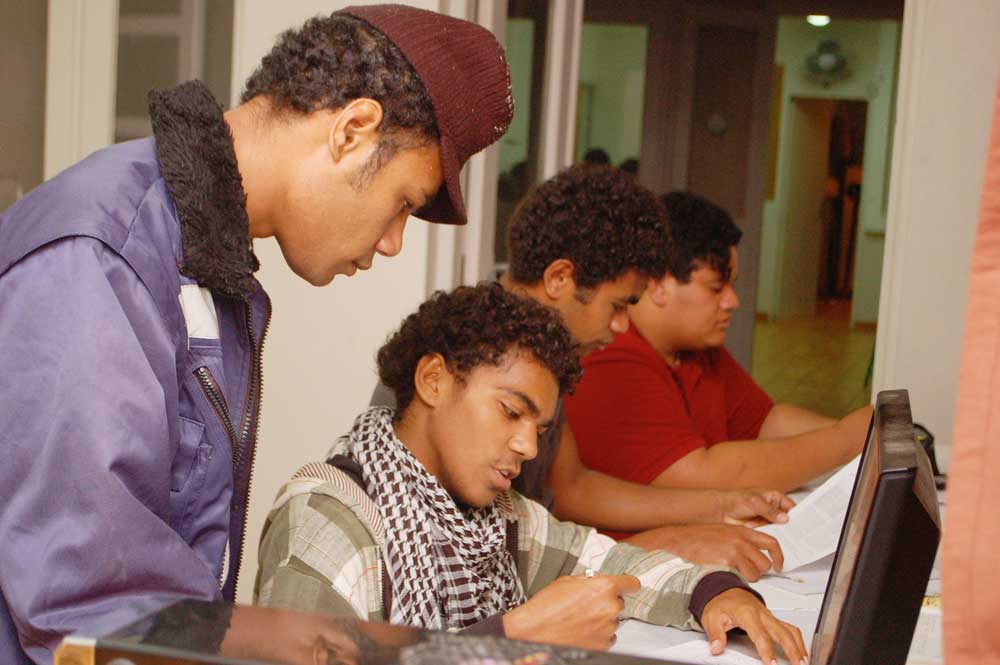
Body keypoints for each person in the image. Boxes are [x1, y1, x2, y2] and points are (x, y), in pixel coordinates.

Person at [0, 6, 513, 663]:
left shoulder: (206, 263)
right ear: (352, 131)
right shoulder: (106, 255)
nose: (392, 242)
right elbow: (85, 606)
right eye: (404, 203)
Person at [256, 284, 807, 664]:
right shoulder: (328, 521)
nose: (527, 446)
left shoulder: (499, 518)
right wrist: (510, 637)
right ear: (433, 381)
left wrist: (714, 594)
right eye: (510, 411)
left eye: (539, 428)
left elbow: (609, 562)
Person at [374, 165, 794, 580]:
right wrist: (669, 543)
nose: (622, 326)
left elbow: (571, 487)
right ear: (560, 278)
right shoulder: (469, 363)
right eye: (617, 305)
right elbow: (478, 565)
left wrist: (719, 506)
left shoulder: (543, 356)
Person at [565, 191, 872, 494]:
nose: (732, 301)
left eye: (731, 286)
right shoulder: (609, 352)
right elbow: (700, 474)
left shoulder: (695, 349)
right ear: (658, 285)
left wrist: (867, 435)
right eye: (715, 288)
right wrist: (845, 440)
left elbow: (765, 422)